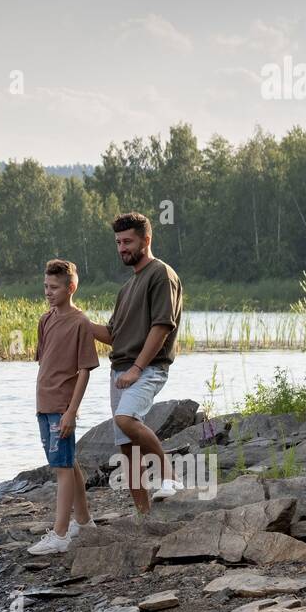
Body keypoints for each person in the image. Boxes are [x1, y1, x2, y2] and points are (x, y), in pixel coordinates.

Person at [89, 212, 184, 513]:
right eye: (118, 242)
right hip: (120, 371)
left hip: (147, 367)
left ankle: (170, 476)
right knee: (128, 451)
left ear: (147, 239)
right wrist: (76, 319)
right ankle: (143, 516)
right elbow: (112, 335)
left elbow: (162, 326)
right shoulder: (126, 288)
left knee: (126, 419)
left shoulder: (161, 274)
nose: (122, 248)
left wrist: (137, 369)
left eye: (128, 241)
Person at [27, 258, 100, 555]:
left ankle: (59, 534)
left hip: (62, 406)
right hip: (43, 404)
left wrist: (71, 411)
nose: (48, 292)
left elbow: (84, 370)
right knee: (69, 462)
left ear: (71, 288)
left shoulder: (81, 323)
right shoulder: (45, 320)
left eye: (54, 287)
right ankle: (82, 521)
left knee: (61, 468)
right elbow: (45, 362)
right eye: (45, 286)